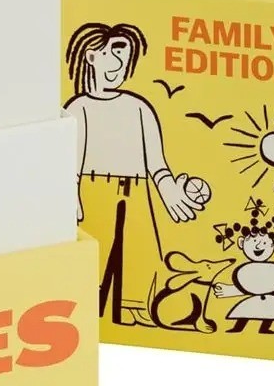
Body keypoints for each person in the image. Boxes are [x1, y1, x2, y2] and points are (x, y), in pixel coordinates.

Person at [65, 22, 207, 326]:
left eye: (124, 55)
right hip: (94, 188)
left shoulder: (138, 107)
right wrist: (71, 195)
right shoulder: (79, 108)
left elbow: (157, 163)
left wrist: (169, 190)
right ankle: (86, 307)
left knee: (137, 249)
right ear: (91, 56)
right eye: (110, 52)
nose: (118, 63)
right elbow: (70, 162)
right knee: (95, 249)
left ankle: (133, 307)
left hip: (136, 191)